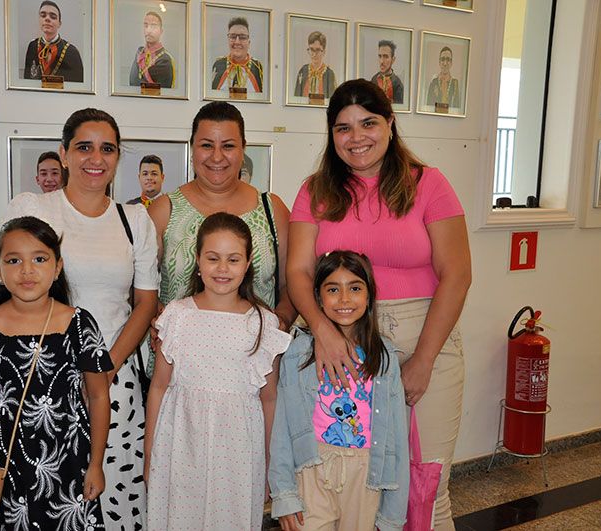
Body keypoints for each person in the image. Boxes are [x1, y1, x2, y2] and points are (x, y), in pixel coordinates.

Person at [287, 79, 471, 530]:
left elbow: (457, 274)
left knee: (426, 486)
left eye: (368, 123)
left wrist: (424, 359)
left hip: (422, 336)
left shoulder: (429, 184)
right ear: (331, 134)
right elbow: (298, 272)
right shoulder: (315, 190)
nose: (357, 137)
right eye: (343, 128)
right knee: (350, 486)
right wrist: (324, 333)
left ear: (390, 123)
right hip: (341, 345)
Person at [0, 108, 159, 530]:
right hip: (33, 379)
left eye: (107, 149)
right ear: (63, 153)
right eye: (83, 147)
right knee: (33, 501)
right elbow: (5, 284)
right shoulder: (34, 208)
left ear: (117, 157)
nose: (96, 158)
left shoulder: (135, 220)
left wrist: (105, 369)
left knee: (111, 501)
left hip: (112, 380)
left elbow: (146, 303)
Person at [0, 216, 112, 529]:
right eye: (14, 260)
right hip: (5, 472)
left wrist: (96, 464)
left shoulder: (80, 324)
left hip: (70, 468)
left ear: (58, 267)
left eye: (39, 259)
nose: (27, 270)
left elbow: (98, 395)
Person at [144, 212, 292, 529]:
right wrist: (150, 454)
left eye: (233, 259)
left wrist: (271, 463)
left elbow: (269, 399)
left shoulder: (264, 324)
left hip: (238, 453)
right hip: (181, 447)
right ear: (198, 260)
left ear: (248, 263)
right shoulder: (177, 316)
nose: (222, 268)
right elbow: (158, 388)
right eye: (213, 258)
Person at [148, 101, 297, 374]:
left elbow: (293, 283)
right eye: (206, 145)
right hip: (178, 369)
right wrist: (157, 319)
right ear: (192, 148)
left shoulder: (272, 210)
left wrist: (280, 322)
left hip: (253, 369)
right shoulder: (164, 210)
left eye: (228, 146)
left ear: (243, 149)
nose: (217, 157)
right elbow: (140, 287)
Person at [269, 251, 408, 531]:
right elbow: (282, 427)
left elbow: (397, 438)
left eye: (355, 288)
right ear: (318, 298)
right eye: (333, 289)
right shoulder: (299, 352)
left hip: (366, 477)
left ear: (369, 296)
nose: (344, 299)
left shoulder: (384, 358)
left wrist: (392, 514)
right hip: (311, 470)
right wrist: (284, 494)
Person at [24, 1, 84, 83]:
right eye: (43, 15)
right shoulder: (32, 46)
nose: (47, 19)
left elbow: (78, 85)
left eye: (53, 17)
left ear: (59, 23)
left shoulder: (72, 52)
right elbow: (27, 80)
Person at [211, 17, 264, 93]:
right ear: (228, 40)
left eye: (242, 37)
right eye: (233, 37)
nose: (237, 42)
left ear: (249, 43)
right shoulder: (218, 65)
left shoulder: (258, 68)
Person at [129, 11, 176, 89]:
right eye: (146, 26)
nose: (149, 30)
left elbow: (161, 91)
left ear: (161, 31)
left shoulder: (165, 60)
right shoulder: (139, 53)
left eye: (153, 26)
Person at [294, 31, 337, 99]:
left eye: (317, 50)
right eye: (311, 49)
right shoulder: (303, 71)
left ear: (324, 52)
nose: (314, 54)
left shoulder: (329, 74)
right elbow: (296, 98)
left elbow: (332, 100)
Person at [371, 39, 404, 104]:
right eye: (380, 56)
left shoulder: (398, 84)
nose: (381, 61)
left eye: (386, 57)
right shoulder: (374, 80)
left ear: (393, 59)